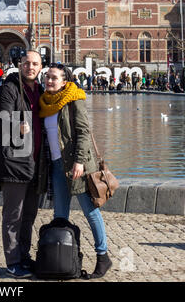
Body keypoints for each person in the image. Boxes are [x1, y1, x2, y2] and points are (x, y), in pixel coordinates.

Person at [39, 63, 112, 279]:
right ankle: (61, 259)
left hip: (75, 167)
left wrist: (79, 162)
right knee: (60, 216)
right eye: (47, 76)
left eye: (54, 77)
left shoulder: (74, 99)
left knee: (90, 212)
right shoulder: (45, 102)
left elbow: (83, 131)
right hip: (56, 166)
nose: (49, 81)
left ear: (64, 80)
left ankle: (102, 256)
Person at [0, 50, 47, 279]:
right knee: (13, 216)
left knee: (29, 216)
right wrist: (17, 125)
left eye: (35, 64)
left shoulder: (41, 91)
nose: (30, 67)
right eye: (26, 63)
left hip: (35, 163)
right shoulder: (9, 88)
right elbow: (3, 116)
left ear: (40, 66)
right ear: (19, 65)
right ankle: (13, 262)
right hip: (14, 162)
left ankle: (24, 257)